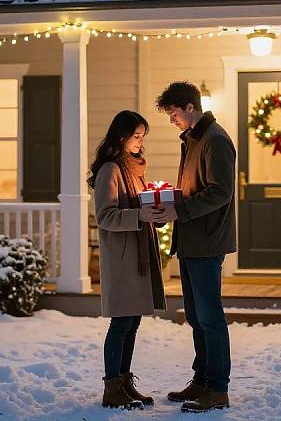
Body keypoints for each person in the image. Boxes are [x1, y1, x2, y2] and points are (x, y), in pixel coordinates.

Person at [156, 81, 236, 413]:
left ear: (190, 107)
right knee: (195, 316)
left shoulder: (215, 140)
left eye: (174, 113)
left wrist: (180, 210)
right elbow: (195, 187)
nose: (172, 119)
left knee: (209, 316)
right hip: (191, 241)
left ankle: (217, 388)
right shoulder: (194, 140)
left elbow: (220, 192)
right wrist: (169, 202)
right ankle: (201, 380)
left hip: (206, 240)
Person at [88, 110, 167, 410]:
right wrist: (140, 215)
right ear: (121, 137)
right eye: (136, 136)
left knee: (132, 322)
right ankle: (112, 388)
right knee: (121, 323)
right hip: (122, 259)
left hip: (138, 255)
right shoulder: (110, 169)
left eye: (142, 137)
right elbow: (106, 216)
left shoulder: (134, 169)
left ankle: (123, 383)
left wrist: (157, 211)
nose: (139, 142)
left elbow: (141, 204)